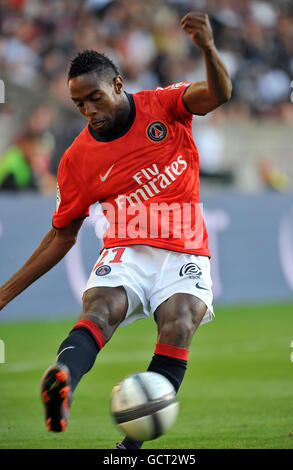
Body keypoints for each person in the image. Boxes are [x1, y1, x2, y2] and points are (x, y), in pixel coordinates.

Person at [0, 12, 232, 449]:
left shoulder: (164, 105)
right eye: (79, 104)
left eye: (95, 98)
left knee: (179, 323)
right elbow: (61, 235)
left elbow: (220, 94)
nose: (90, 111)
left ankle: (128, 449)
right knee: (101, 309)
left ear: (119, 85)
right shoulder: (77, 159)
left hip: (185, 251)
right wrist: (4, 293)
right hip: (127, 249)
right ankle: (63, 380)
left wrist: (207, 48)